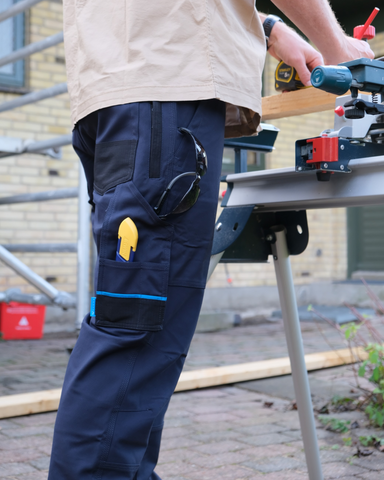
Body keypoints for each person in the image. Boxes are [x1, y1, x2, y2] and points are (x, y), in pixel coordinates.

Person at [48, 1, 374, 478]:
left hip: (126, 90)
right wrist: (337, 45)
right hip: (164, 93)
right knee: (134, 335)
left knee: (135, 335)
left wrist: (266, 29)